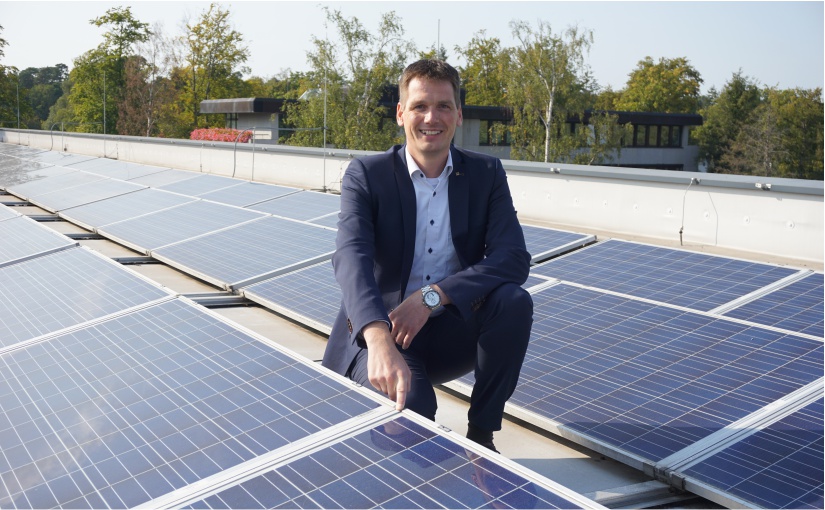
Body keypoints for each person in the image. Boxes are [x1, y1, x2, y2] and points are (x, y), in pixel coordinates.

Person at [322, 59, 533, 452]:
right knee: (412, 419)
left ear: (458, 115)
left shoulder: (485, 173)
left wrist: (432, 296)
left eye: (443, 106)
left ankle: (482, 436)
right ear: (401, 113)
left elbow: (513, 258)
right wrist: (378, 338)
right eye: (419, 106)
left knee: (513, 302)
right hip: (383, 335)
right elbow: (350, 257)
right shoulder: (367, 174)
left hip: (447, 329)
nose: (431, 118)